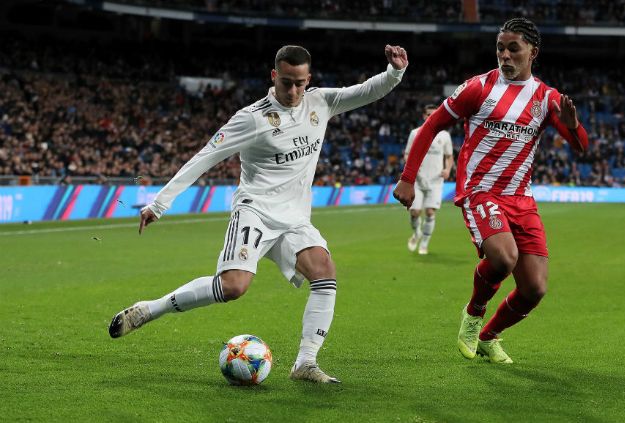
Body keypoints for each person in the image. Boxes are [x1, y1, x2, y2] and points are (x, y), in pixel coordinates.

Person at [109, 44, 409, 383]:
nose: (293, 90)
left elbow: (368, 91)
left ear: (308, 80)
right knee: (233, 287)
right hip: (255, 212)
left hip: (294, 219)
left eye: (299, 83)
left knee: (325, 273)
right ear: (273, 76)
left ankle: (305, 363)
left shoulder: (320, 102)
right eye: (286, 82)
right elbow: (206, 156)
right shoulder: (252, 118)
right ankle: (151, 309)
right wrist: (160, 203)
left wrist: (394, 72)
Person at [393, 18, 588, 364]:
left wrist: (573, 127)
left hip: (521, 198)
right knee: (503, 257)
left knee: (534, 288)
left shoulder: (546, 98)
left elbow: (581, 147)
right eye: (501, 48)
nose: (505, 55)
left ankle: (489, 336)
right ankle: (473, 313)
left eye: (514, 48)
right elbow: (432, 125)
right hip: (480, 190)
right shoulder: (477, 88)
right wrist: (408, 178)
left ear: (533, 53)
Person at [404, 104, 454, 255]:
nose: (430, 117)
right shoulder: (415, 133)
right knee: (414, 213)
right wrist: (412, 170)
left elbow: (449, 156)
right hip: (418, 180)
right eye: (428, 114)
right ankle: (416, 233)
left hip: (435, 180)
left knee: (430, 212)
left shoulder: (444, 135)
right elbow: (407, 154)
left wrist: (447, 169)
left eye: (434, 114)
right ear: (423, 116)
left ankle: (424, 243)